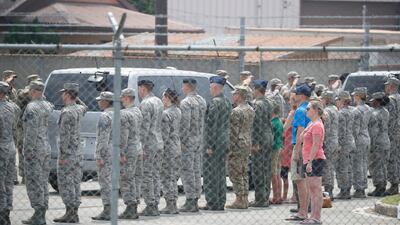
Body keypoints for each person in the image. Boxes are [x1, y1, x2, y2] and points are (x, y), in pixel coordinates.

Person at [53, 83, 87, 223]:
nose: (62, 95)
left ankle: (69, 212)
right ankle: (75, 212)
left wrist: (62, 156)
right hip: (78, 153)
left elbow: (64, 137)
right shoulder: (79, 109)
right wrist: (76, 97)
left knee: (65, 183)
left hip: (68, 154)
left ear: (67, 94)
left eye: (64, 93)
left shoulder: (67, 112)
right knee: (75, 182)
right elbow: (86, 107)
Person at [22, 81, 53, 225]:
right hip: (45, 147)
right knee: (43, 181)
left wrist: (27, 151)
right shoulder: (47, 106)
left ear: (34, 91)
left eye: (30, 90)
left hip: (34, 149)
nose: (28, 93)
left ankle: (38, 214)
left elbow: (31, 132)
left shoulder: (31, 107)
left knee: (34, 182)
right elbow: (48, 103)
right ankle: (42, 212)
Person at [202, 76, 232, 211]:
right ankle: (220, 200)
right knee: (220, 173)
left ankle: (212, 202)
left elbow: (211, 125)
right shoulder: (226, 102)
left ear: (215, 87)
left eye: (210, 87)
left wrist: (209, 145)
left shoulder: (214, 103)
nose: (210, 90)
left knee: (210, 173)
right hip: (224, 141)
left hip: (214, 141)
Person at [179, 79, 206, 212]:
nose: (182, 88)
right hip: (199, 140)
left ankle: (190, 200)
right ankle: (195, 198)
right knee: (196, 170)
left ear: (187, 87)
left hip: (188, 141)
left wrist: (182, 141)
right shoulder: (201, 100)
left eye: (183, 86)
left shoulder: (186, 103)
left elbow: (185, 124)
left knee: (187, 171)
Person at [137, 80, 164, 216]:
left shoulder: (145, 103)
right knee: (156, 174)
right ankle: (155, 203)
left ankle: (150, 204)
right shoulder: (158, 101)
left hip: (149, 143)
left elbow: (144, 127)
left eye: (139, 89)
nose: (138, 91)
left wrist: (140, 145)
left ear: (143, 88)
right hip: (159, 142)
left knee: (147, 175)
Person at [226, 86, 255, 209]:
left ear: (240, 95)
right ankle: (244, 198)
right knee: (243, 171)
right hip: (246, 142)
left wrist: (230, 148)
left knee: (235, 172)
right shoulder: (250, 109)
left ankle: (239, 199)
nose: (233, 96)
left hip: (237, 144)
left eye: (235, 94)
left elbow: (234, 132)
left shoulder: (236, 111)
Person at [286, 83, 311, 221]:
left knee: (300, 181)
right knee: (304, 181)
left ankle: (302, 212)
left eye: (295, 93)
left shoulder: (300, 110)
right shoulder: (307, 108)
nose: (293, 96)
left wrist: (296, 151)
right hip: (306, 146)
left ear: (301, 95)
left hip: (300, 147)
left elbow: (300, 131)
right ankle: (304, 211)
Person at [300, 100, 326, 224]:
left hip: (315, 159)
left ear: (315, 110)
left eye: (308, 108)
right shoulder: (312, 123)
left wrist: (310, 161)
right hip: (308, 159)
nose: (306, 110)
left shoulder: (317, 125)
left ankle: (316, 217)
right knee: (312, 189)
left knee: (316, 189)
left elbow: (316, 145)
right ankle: (312, 216)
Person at [119, 88, 143, 219]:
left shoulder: (124, 114)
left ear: (127, 98)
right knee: (135, 178)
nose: (121, 100)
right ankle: (134, 205)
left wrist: (121, 152)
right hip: (138, 147)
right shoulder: (138, 111)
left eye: (122, 97)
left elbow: (123, 136)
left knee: (126, 178)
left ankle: (130, 207)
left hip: (128, 150)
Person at [250, 79, 274, 208]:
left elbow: (256, 124)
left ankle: (260, 199)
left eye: (254, 89)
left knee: (258, 169)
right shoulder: (269, 103)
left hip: (260, 138)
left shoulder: (257, 104)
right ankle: (265, 196)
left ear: (257, 90)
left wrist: (255, 142)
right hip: (268, 136)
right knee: (266, 168)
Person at [92, 91, 114, 221]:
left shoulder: (105, 116)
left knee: (105, 182)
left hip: (106, 152)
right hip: (115, 151)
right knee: (112, 181)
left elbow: (103, 138)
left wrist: (99, 155)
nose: (99, 102)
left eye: (101, 100)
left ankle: (108, 210)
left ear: (106, 101)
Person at [0, 81, 19, 225]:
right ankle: (6, 212)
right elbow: (15, 127)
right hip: (11, 147)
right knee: (8, 182)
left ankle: (1, 213)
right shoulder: (14, 107)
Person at [15, 74, 41, 184]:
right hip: (24, 127)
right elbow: (22, 96)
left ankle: (33, 174)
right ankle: (25, 175)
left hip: (36, 127)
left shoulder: (39, 94)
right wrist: (31, 88)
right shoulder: (23, 92)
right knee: (23, 150)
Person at [160, 88, 181, 214]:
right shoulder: (178, 111)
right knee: (173, 177)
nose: (162, 100)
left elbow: (164, 134)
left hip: (168, 148)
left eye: (163, 97)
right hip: (176, 146)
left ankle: (170, 204)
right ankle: (174, 203)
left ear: (167, 98)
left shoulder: (166, 114)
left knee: (167, 177)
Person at [368, 92, 391, 197]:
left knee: (376, 166)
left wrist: (371, 146)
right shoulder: (386, 112)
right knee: (383, 166)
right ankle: (383, 186)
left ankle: (379, 187)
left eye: (373, 100)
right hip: (385, 141)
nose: (372, 102)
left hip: (377, 143)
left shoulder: (375, 114)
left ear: (377, 102)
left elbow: (373, 132)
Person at [351, 87, 372, 198]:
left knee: (357, 164)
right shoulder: (368, 108)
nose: (353, 97)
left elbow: (355, 129)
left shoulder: (356, 110)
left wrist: (351, 139)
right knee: (364, 163)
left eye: (355, 95)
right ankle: (363, 186)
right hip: (366, 136)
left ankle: (359, 189)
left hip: (359, 138)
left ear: (358, 96)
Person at [335, 91, 355, 200]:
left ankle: (344, 190)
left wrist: (339, 145)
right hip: (351, 140)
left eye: (338, 100)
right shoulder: (352, 111)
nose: (336, 102)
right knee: (349, 167)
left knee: (342, 167)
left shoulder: (341, 113)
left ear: (342, 100)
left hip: (344, 143)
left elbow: (341, 131)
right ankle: (348, 188)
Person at [320, 91, 339, 200]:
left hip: (328, 141)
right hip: (334, 140)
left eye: (322, 98)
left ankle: (328, 191)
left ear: (326, 99)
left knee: (327, 167)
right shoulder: (336, 109)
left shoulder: (326, 111)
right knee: (330, 166)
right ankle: (329, 189)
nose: (321, 100)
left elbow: (325, 128)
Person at [384, 77, 400, 195]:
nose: (386, 87)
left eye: (387, 85)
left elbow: (390, 118)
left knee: (392, 159)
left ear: (392, 86)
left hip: (393, 133)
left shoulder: (391, 99)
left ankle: (394, 185)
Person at [281, 99, 297, 203]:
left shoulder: (292, 113)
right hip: (295, 143)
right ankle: (295, 195)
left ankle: (286, 196)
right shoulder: (304, 111)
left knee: (285, 172)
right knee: (297, 172)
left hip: (288, 144)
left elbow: (285, 128)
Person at [271, 105, 284, 204]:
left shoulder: (273, 123)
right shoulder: (279, 121)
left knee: (273, 173)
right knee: (278, 172)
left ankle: (275, 196)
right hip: (280, 146)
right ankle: (279, 195)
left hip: (274, 148)